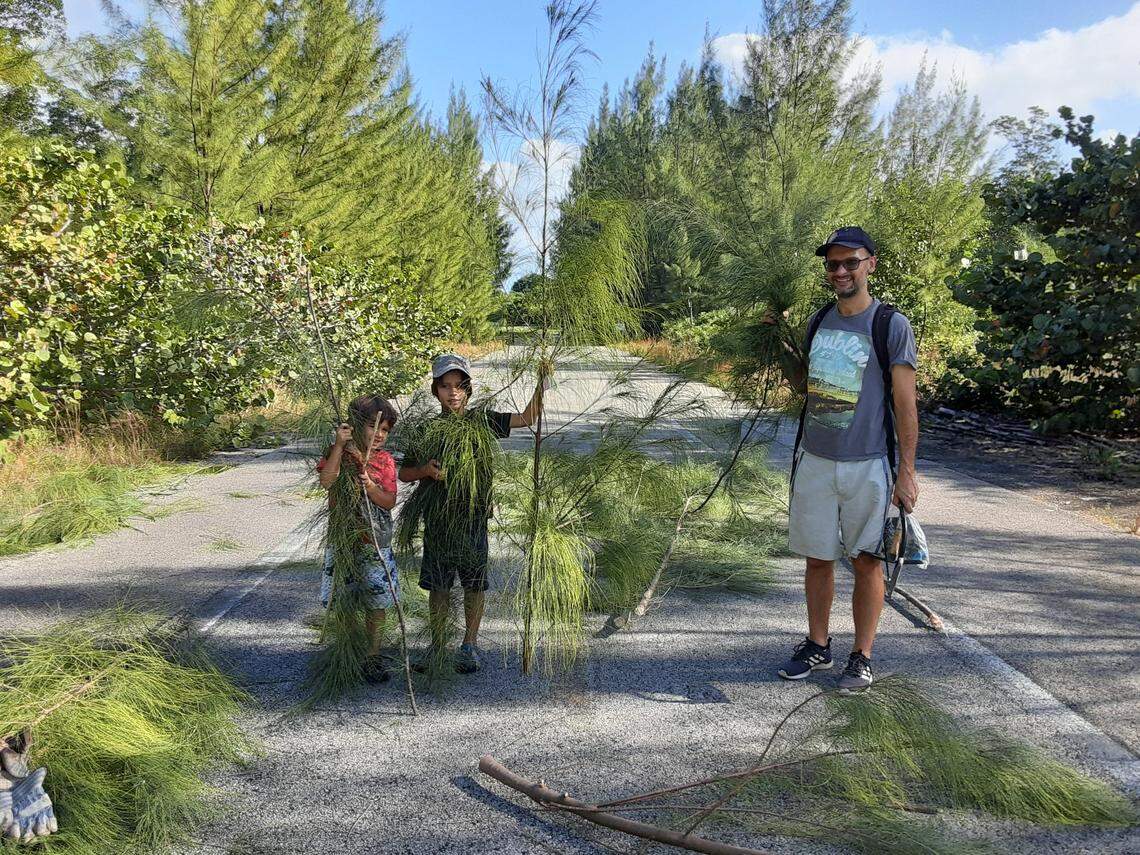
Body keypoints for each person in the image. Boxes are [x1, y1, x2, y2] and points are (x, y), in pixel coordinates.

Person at [770, 226, 919, 692]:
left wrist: (907, 471)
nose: (840, 271)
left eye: (850, 262)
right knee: (817, 559)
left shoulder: (890, 325)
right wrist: (778, 345)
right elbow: (804, 387)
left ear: (870, 264)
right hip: (815, 460)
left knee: (867, 562)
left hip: (868, 464)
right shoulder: (819, 322)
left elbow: (905, 403)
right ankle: (817, 645)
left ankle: (862, 655)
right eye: (833, 264)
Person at [399, 353, 548, 674]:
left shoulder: (482, 420)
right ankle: (437, 644)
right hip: (437, 521)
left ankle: (469, 645)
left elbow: (528, 417)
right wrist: (425, 469)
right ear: (435, 390)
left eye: (459, 386)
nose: (453, 393)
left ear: (468, 389)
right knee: (438, 587)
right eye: (445, 386)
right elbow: (404, 473)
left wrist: (542, 381)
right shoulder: (427, 428)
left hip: (473, 520)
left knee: (473, 585)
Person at [317, 394, 400, 684]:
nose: (379, 434)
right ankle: (348, 650)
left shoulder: (386, 461)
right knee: (344, 600)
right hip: (343, 541)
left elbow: (388, 501)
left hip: (373, 542)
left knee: (376, 602)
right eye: (373, 426)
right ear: (354, 426)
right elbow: (327, 481)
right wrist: (340, 447)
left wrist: (370, 486)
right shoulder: (338, 452)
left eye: (385, 430)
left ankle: (372, 655)